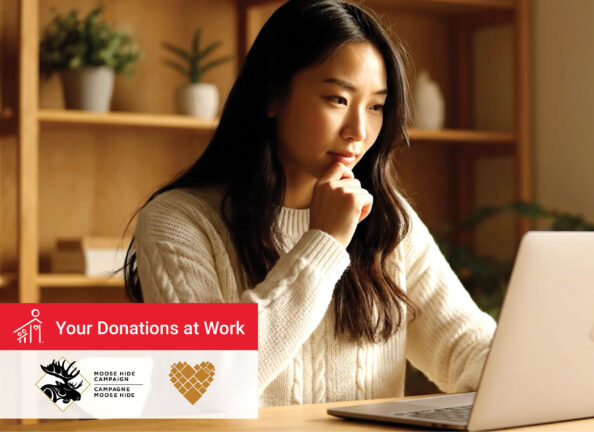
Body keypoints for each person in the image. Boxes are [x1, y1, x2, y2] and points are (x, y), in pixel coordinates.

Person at [124, 0, 496, 408]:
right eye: (338, 99)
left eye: (375, 106)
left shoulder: (389, 221)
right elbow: (204, 386)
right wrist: (324, 242)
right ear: (272, 96)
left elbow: (465, 346)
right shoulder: (179, 221)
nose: (358, 131)